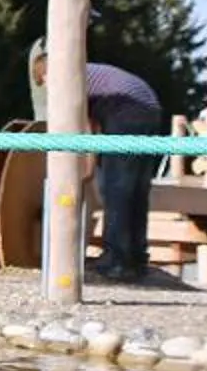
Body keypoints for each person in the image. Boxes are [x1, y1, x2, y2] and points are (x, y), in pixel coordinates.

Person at [29, 38, 165, 282]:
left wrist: (88, 171)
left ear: (47, 75)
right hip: (149, 106)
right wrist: (91, 167)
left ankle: (118, 260)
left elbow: (85, 131)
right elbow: (93, 126)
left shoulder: (69, 78)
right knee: (136, 188)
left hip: (128, 108)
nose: (48, 89)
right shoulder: (85, 72)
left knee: (117, 187)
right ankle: (136, 257)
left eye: (44, 83)